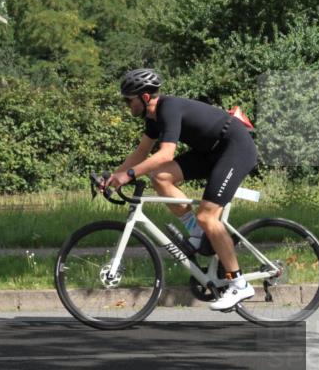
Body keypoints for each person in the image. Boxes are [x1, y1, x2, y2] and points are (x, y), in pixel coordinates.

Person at [105, 69, 259, 311]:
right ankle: (198, 235)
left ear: (145, 98)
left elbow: (166, 154)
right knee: (161, 177)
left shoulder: (169, 108)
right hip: (211, 152)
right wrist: (114, 176)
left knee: (208, 215)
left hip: (234, 149)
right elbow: (141, 153)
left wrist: (131, 174)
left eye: (129, 99)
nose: (126, 105)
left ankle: (239, 284)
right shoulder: (153, 119)